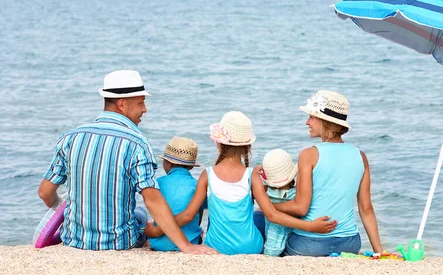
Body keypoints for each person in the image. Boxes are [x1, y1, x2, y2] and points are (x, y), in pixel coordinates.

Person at [37, 70, 216, 254]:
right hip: (118, 243)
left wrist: (63, 210)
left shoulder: (70, 138)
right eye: (140, 103)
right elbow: (152, 200)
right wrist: (186, 246)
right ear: (122, 104)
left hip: (74, 239)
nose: (144, 109)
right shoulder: (137, 143)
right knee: (139, 213)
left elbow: (45, 193)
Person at [145, 111, 337, 255]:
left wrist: (158, 228)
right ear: (248, 146)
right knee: (260, 215)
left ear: (218, 143)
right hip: (250, 247)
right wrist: (310, 227)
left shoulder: (207, 175)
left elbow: (187, 216)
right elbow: (272, 214)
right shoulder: (251, 176)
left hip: (216, 247)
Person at [267, 90, 383, 256]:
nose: (307, 122)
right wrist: (379, 251)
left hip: (310, 243)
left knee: (264, 221)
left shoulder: (308, 155)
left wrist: (269, 207)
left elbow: (300, 208)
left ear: (324, 122)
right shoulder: (361, 156)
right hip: (349, 243)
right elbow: (366, 209)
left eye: (311, 117)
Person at [147, 136, 207, 251]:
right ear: (191, 166)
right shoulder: (197, 185)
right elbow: (198, 215)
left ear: (167, 163)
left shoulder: (157, 183)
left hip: (158, 244)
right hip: (190, 242)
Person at [259, 149, 297, 257]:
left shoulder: (265, 193)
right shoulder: (296, 195)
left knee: (257, 214)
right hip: (291, 239)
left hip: (272, 245)